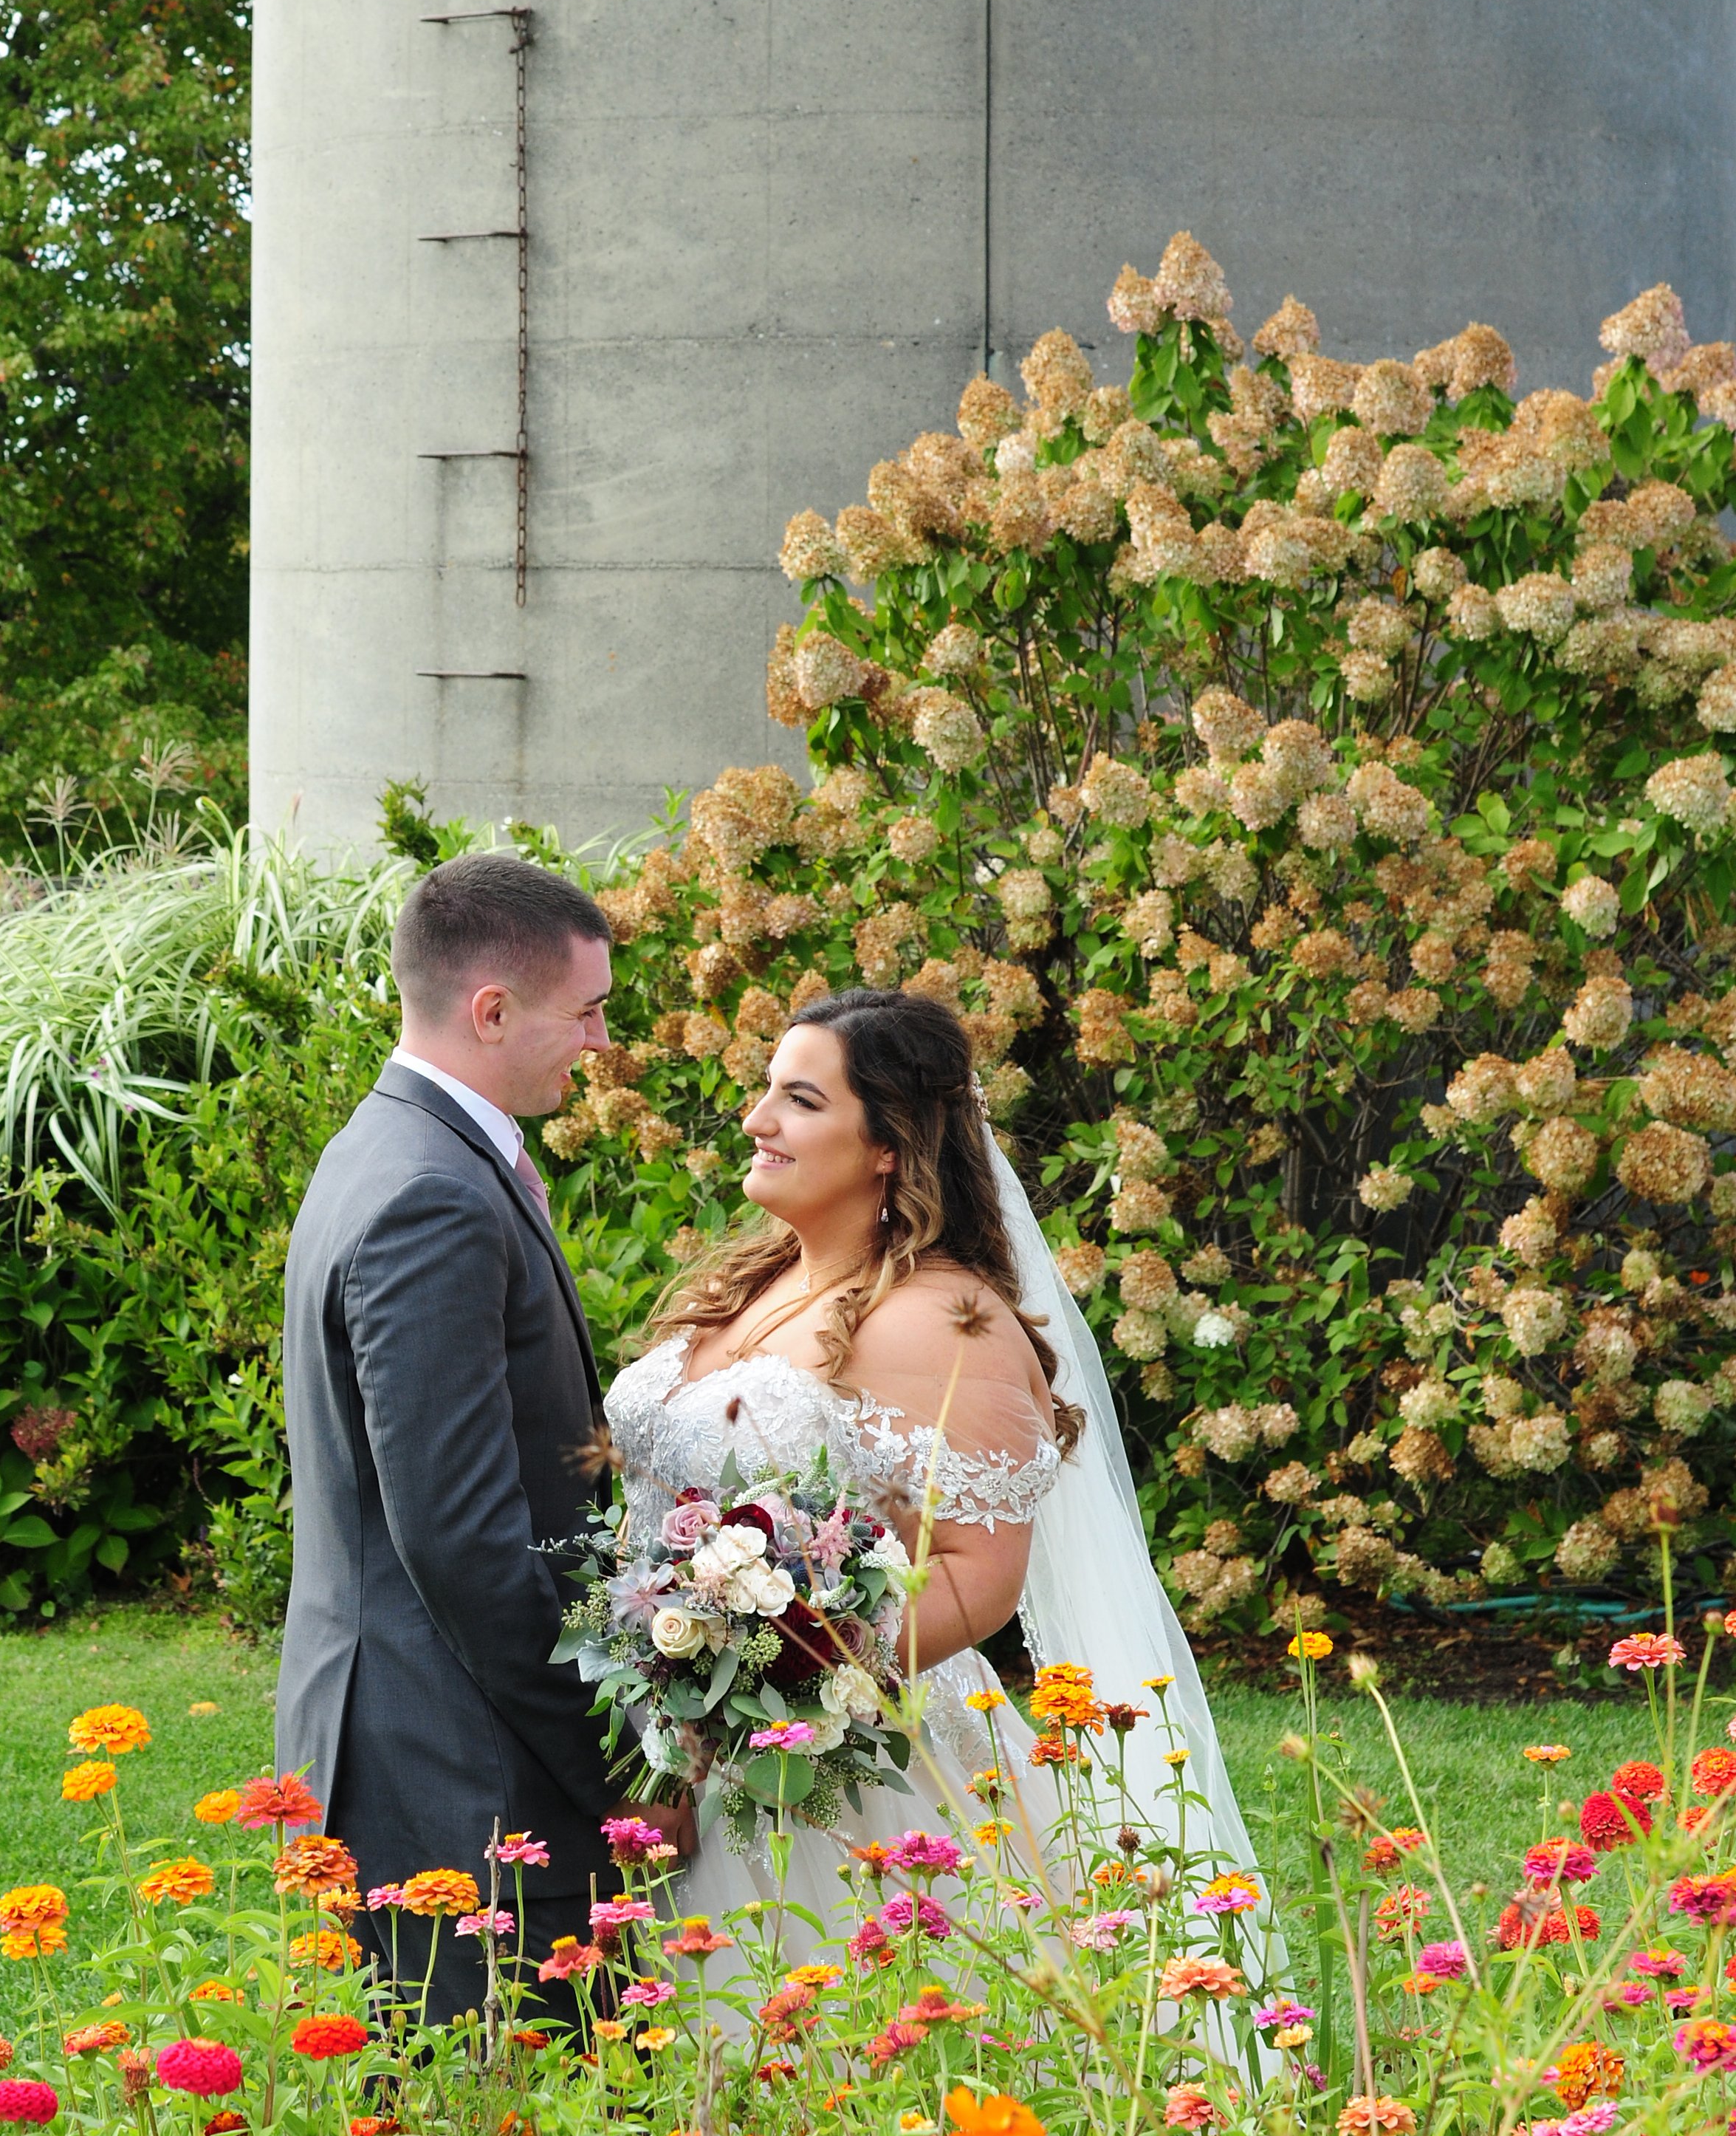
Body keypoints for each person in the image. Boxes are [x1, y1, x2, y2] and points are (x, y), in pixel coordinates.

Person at [603, 985, 1263, 1940]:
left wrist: (760, 1700)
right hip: (670, 1732)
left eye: (800, 1099)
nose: (756, 1119)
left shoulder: (947, 1319)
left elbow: (980, 1575)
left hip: (842, 1783)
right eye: (765, 1091)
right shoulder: (758, 1277)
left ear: (887, 1142)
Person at [276, 849, 628, 2017]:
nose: (598, 1042)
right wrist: (612, 1767)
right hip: (459, 1776)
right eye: (585, 1013)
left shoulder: (387, 1147)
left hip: (419, 1740)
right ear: (491, 1010)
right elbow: (464, 1541)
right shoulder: (431, 1190)